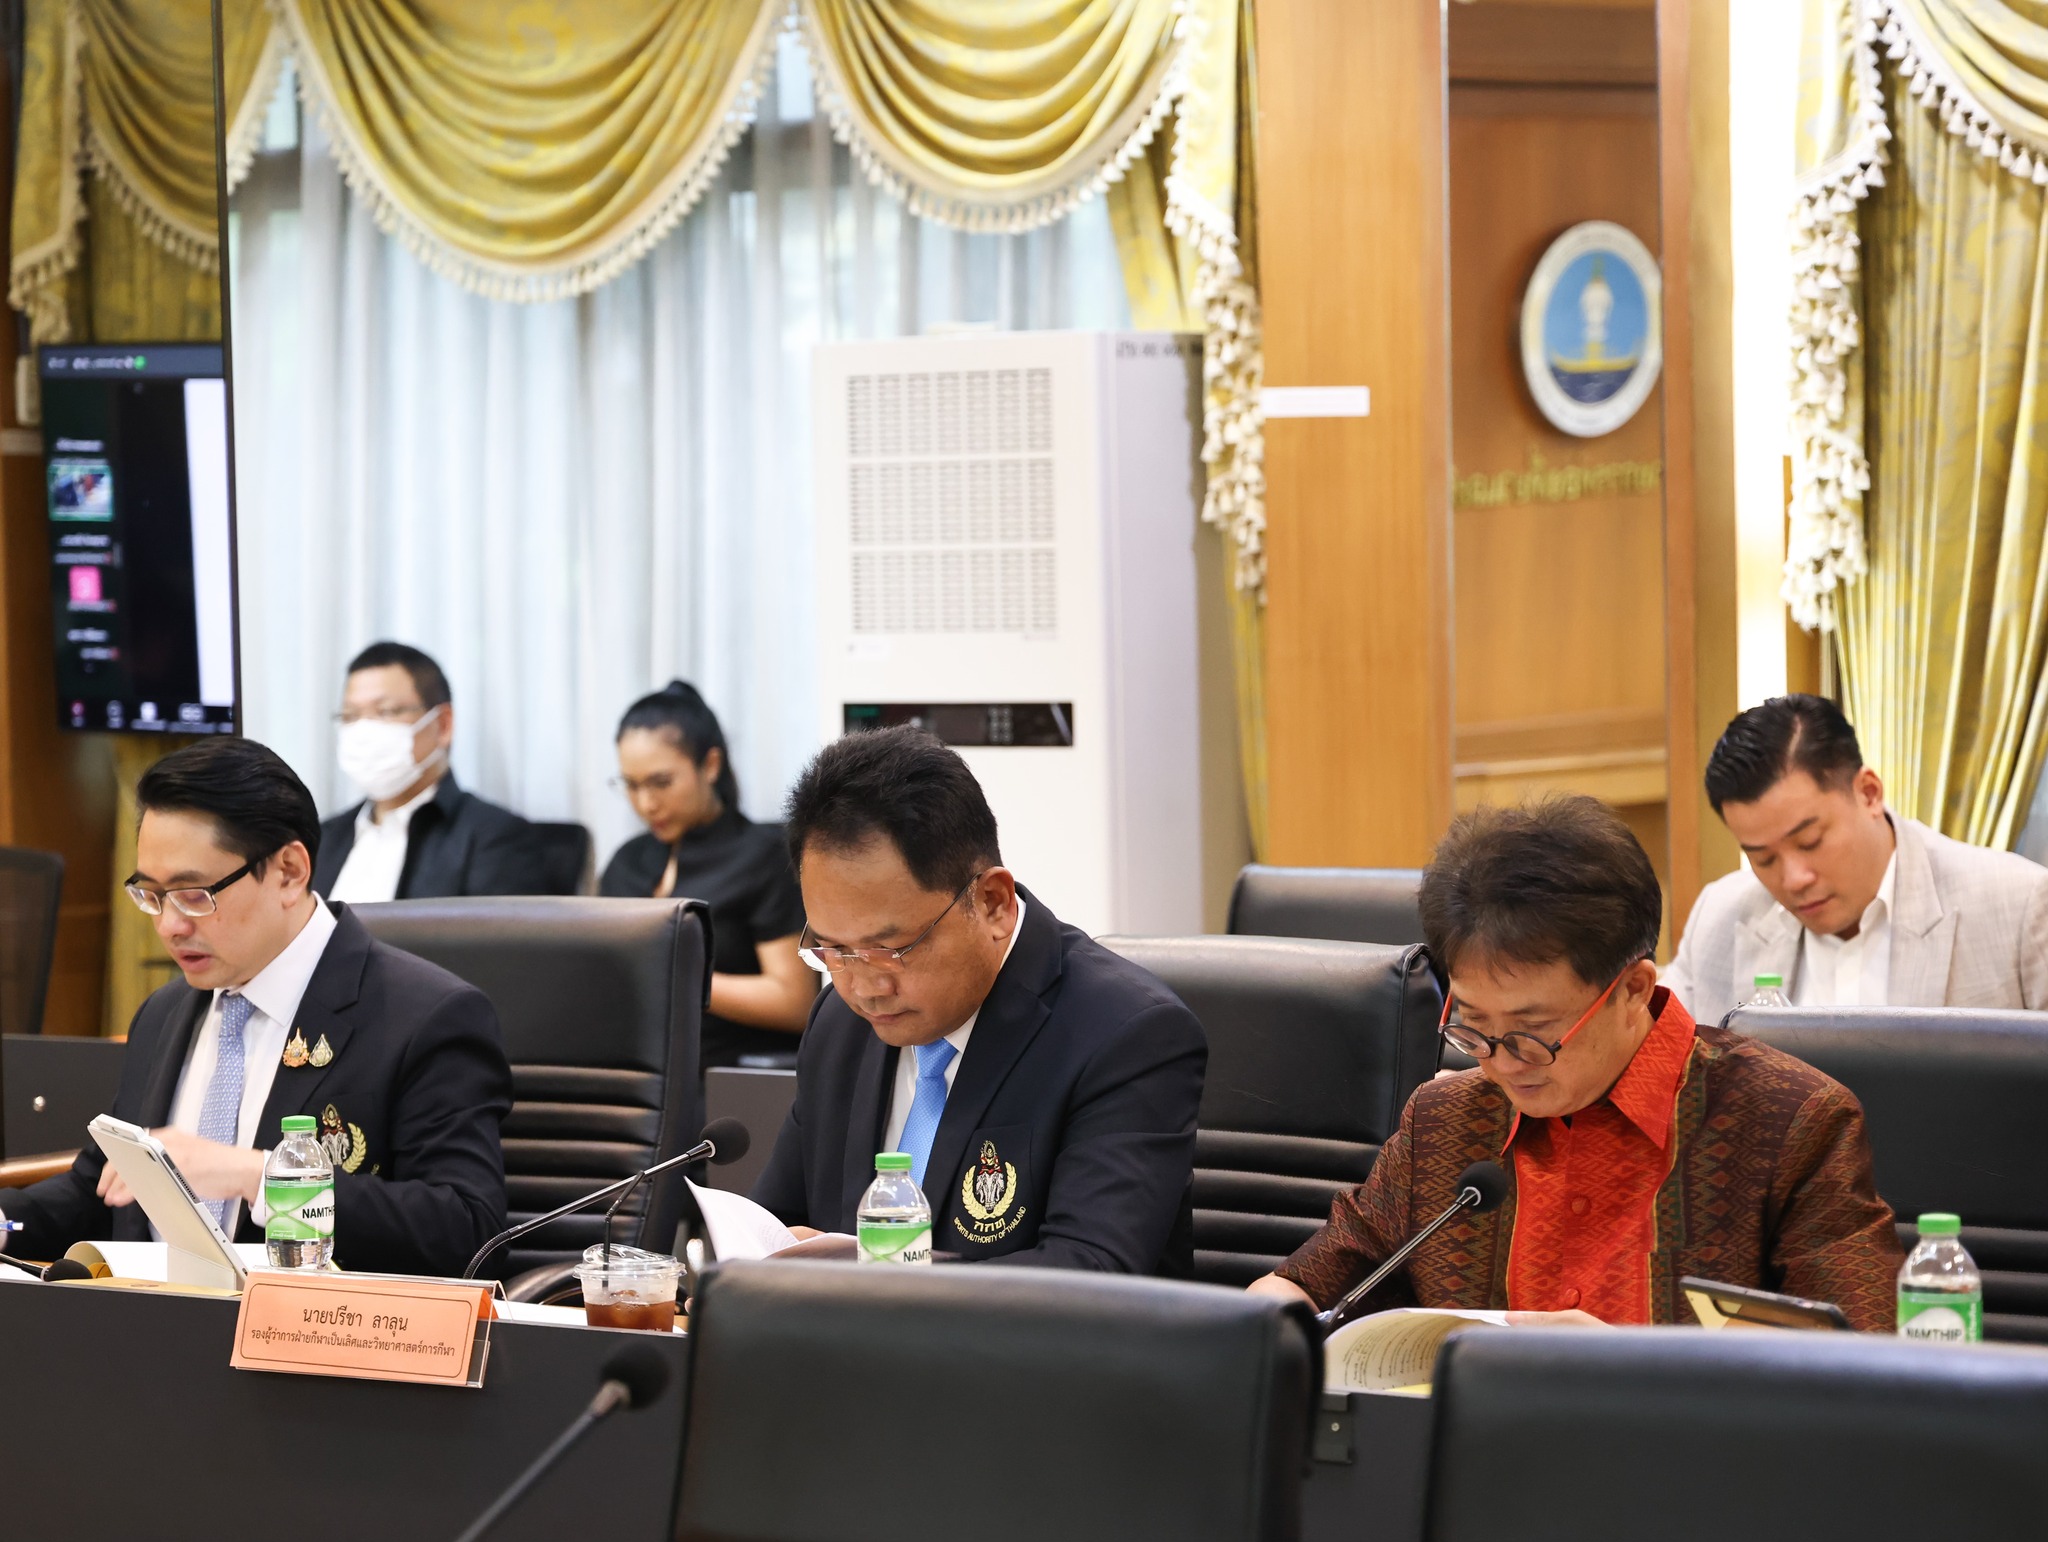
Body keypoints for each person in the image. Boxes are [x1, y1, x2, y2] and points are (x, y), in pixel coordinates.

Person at [1248, 795, 1902, 1330]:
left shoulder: (1790, 1124)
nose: (1502, 1065)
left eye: (1532, 1032)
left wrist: (1628, 1372)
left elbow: (1865, 1370)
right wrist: (1264, 1324)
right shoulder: (1446, 1125)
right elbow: (1311, 1284)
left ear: (1633, 989)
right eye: (1474, 1025)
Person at [0, 738, 512, 1277]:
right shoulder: (163, 1012)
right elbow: (101, 1189)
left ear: (289, 871)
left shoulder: (424, 1017)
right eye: (152, 894)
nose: (169, 926)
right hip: (151, 1318)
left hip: (314, 1327)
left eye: (194, 894)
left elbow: (470, 1231)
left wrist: (258, 1176)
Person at [752, 725, 1206, 1272]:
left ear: (992, 903)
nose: (864, 987)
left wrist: (875, 1274)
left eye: (891, 949)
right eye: (834, 949)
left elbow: (1090, 1273)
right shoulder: (838, 1024)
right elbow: (773, 1229)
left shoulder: (1126, 1035)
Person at [1661, 694, 2048, 1023]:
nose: (1794, 879)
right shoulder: (1719, 918)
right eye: (1763, 859)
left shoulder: (2019, 906)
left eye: (1810, 841)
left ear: (1868, 793)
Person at [599, 681, 814, 1066]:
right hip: (629, 1066)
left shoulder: (763, 856)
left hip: (723, 1070)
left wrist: (678, 978)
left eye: (661, 783)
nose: (646, 803)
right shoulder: (627, 861)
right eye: (631, 785)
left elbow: (795, 1002)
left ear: (710, 765)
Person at [313, 641, 555, 901]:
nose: (364, 731)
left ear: (443, 725)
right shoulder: (322, 838)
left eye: (386, 712)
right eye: (350, 716)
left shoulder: (493, 836)